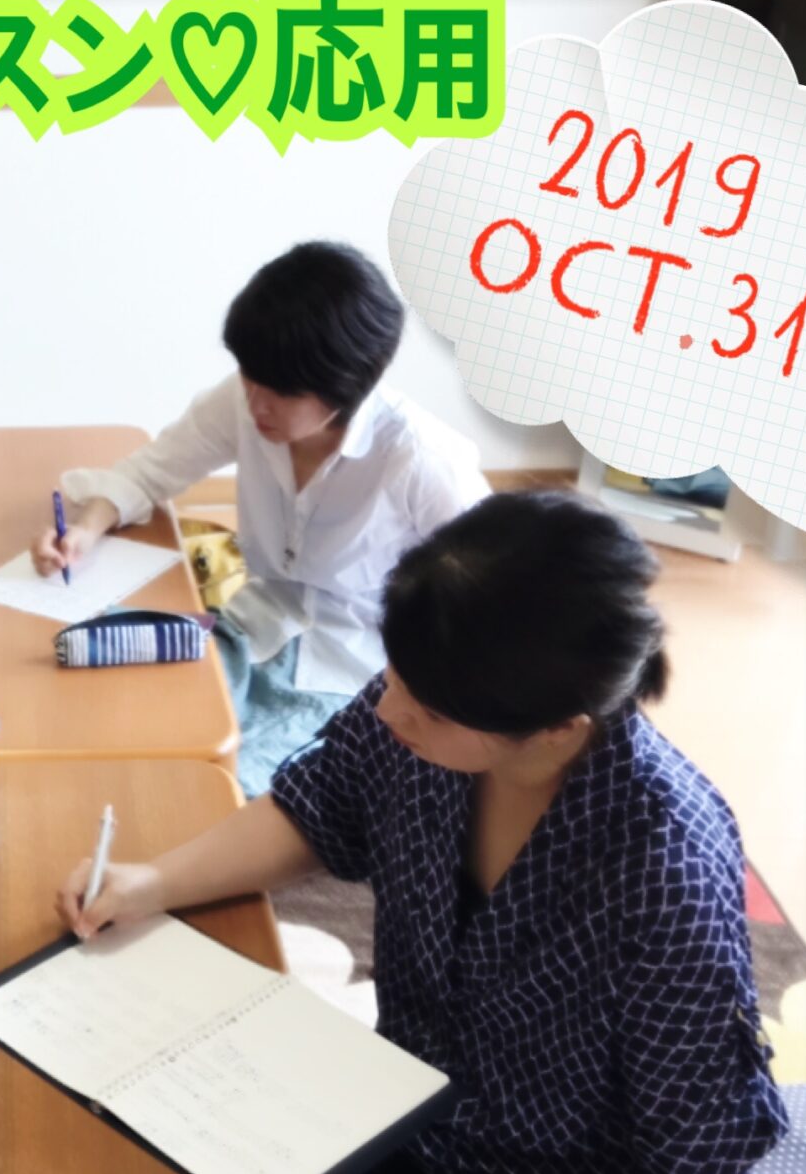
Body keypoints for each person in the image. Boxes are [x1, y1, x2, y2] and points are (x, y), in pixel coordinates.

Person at [56, 492, 787, 1174]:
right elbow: (318, 806)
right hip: (408, 1108)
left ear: (558, 729)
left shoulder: (664, 867)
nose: (389, 709)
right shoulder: (431, 696)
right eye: (393, 676)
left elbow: (697, 1166)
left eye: (425, 707)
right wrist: (153, 880)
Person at [31, 242, 488, 790]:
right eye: (249, 376)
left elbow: (496, 595)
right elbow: (150, 472)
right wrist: (83, 531)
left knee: (230, 788)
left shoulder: (420, 458)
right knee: (122, 723)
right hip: (249, 627)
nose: (255, 404)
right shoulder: (248, 398)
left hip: (346, 670)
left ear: (347, 384)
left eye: (280, 392)